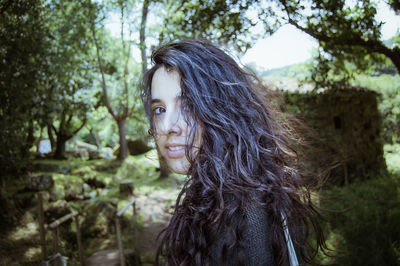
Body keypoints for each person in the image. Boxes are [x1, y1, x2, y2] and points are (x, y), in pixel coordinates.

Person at [141, 39, 326, 266]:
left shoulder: (246, 211)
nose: (167, 126)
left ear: (223, 110)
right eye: (159, 109)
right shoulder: (217, 195)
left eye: (188, 105)